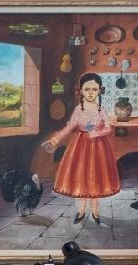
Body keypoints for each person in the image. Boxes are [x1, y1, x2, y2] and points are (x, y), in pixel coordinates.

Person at [43, 72, 122, 225]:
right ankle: (80, 212)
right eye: (87, 89)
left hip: (98, 148)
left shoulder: (101, 110)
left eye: (94, 89)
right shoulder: (79, 110)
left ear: (100, 90)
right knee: (80, 178)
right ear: (81, 91)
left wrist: (96, 133)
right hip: (80, 148)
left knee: (96, 181)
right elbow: (70, 126)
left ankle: (95, 213)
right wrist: (57, 138)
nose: (91, 93)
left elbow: (108, 129)